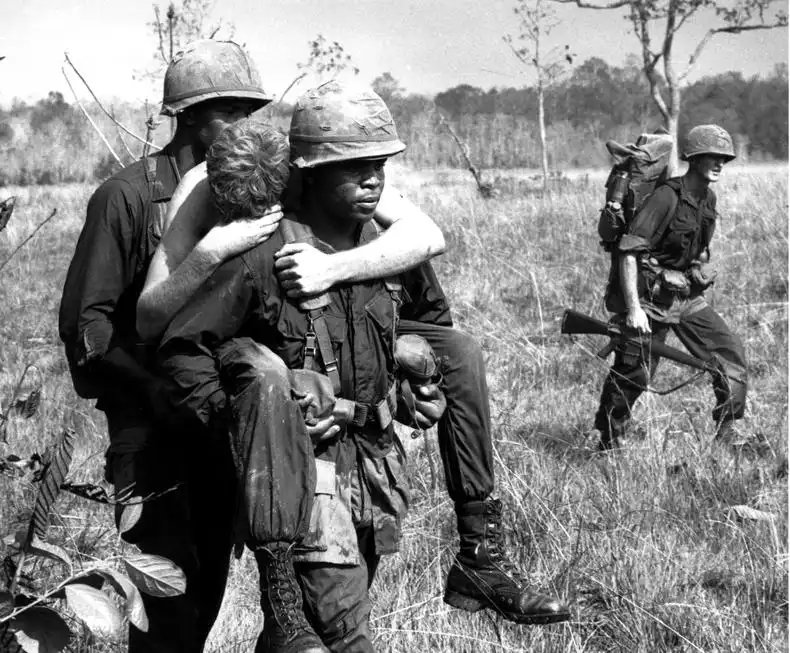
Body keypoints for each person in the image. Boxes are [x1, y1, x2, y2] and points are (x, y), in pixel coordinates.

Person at [60, 40, 446, 653]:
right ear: (188, 116)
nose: (245, 123)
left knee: (276, 600)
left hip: (257, 423)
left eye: (251, 110)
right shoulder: (129, 197)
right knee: (178, 605)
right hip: (163, 433)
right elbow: (90, 333)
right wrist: (170, 392)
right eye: (229, 111)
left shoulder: (271, 185)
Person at [155, 83, 570, 653]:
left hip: (374, 470)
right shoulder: (263, 254)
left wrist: (415, 384)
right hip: (308, 480)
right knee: (345, 636)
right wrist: (257, 418)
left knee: (462, 348)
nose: (372, 180)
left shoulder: (388, 252)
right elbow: (183, 353)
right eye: (353, 168)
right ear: (307, 173)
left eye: (379, 166)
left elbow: (430, 326)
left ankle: (479, 551)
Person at [595, 124, 748, 450]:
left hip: (685, 296)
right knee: (635, 373)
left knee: (730, 354)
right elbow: (628, 251)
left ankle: (727, 433)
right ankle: (610, 441)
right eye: (712, 156)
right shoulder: (667, 196)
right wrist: (634, 309)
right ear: (694, 158)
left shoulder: (708, 197)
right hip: (650, 298)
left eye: (724, 158)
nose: (720, 163)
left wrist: (699, 267)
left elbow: (695, 246)